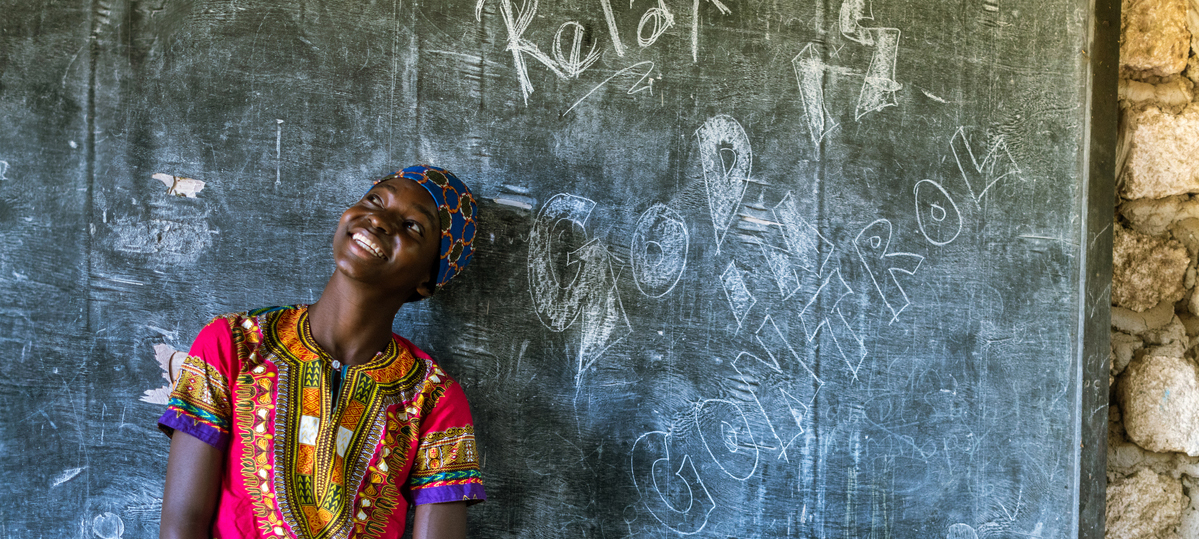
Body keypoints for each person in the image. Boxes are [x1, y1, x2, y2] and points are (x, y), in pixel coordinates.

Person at [157, 165, 484, 539]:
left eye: (412, 226)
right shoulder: (234, 343)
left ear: (427, 279)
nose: (379, 220)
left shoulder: (432, 397)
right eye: (376, 199)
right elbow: (183, 524)